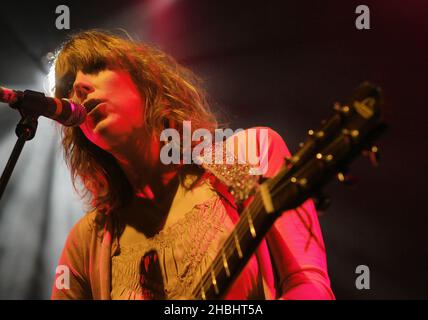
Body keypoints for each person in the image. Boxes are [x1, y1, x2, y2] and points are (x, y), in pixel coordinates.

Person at [51, 30, 335, 300]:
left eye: (97, 66)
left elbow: (309, 284)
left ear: (144, 80)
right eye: (68, 87)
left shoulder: (248, 155)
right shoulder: (88, 240)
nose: (79, 86)